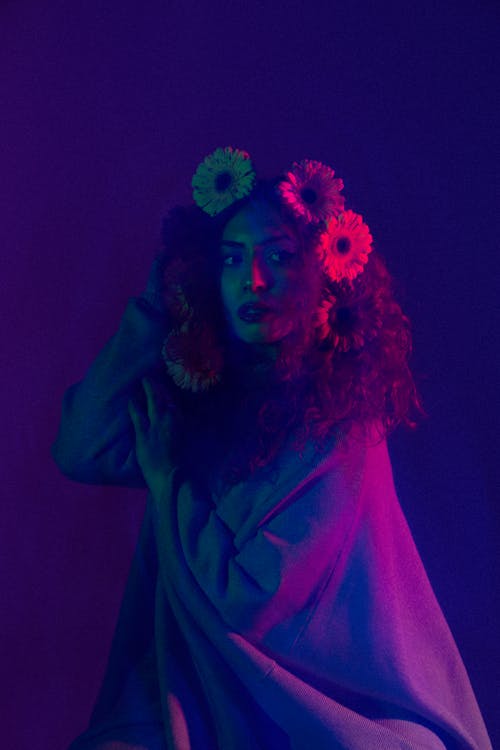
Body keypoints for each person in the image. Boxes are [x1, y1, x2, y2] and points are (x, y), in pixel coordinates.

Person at [52, 147, 492, 749]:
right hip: (195, 698)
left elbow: (247, 598)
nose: (252, 280)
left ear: (321, 271)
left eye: (279, 257)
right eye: (232, 258)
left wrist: (169, 479)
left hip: (322, 709)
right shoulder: (199, 397)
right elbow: (81, 446)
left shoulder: (341, 423)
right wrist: (154, 311)